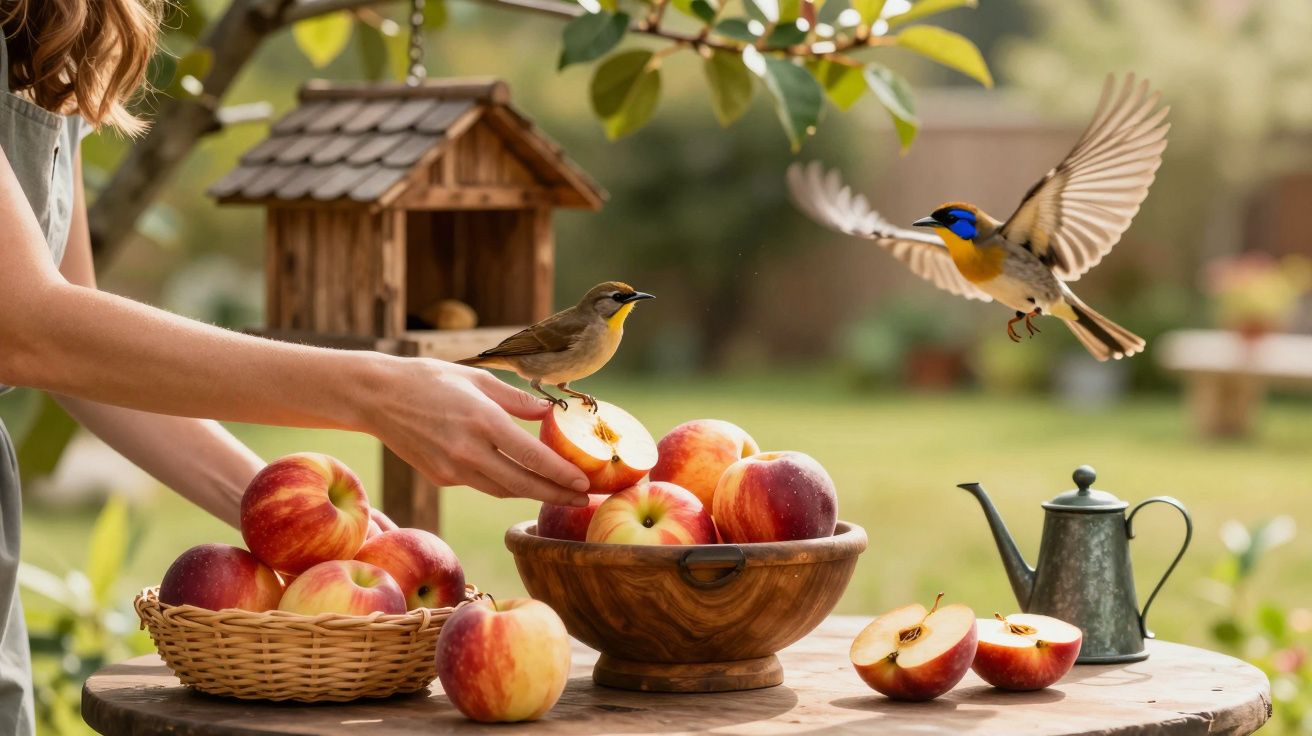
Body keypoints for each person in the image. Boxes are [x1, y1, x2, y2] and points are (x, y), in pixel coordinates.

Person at [0, 2, 590, 733]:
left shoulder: (57, 27)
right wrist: (376, 390)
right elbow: (22, 326)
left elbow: (77, 345)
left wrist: (314, 532)